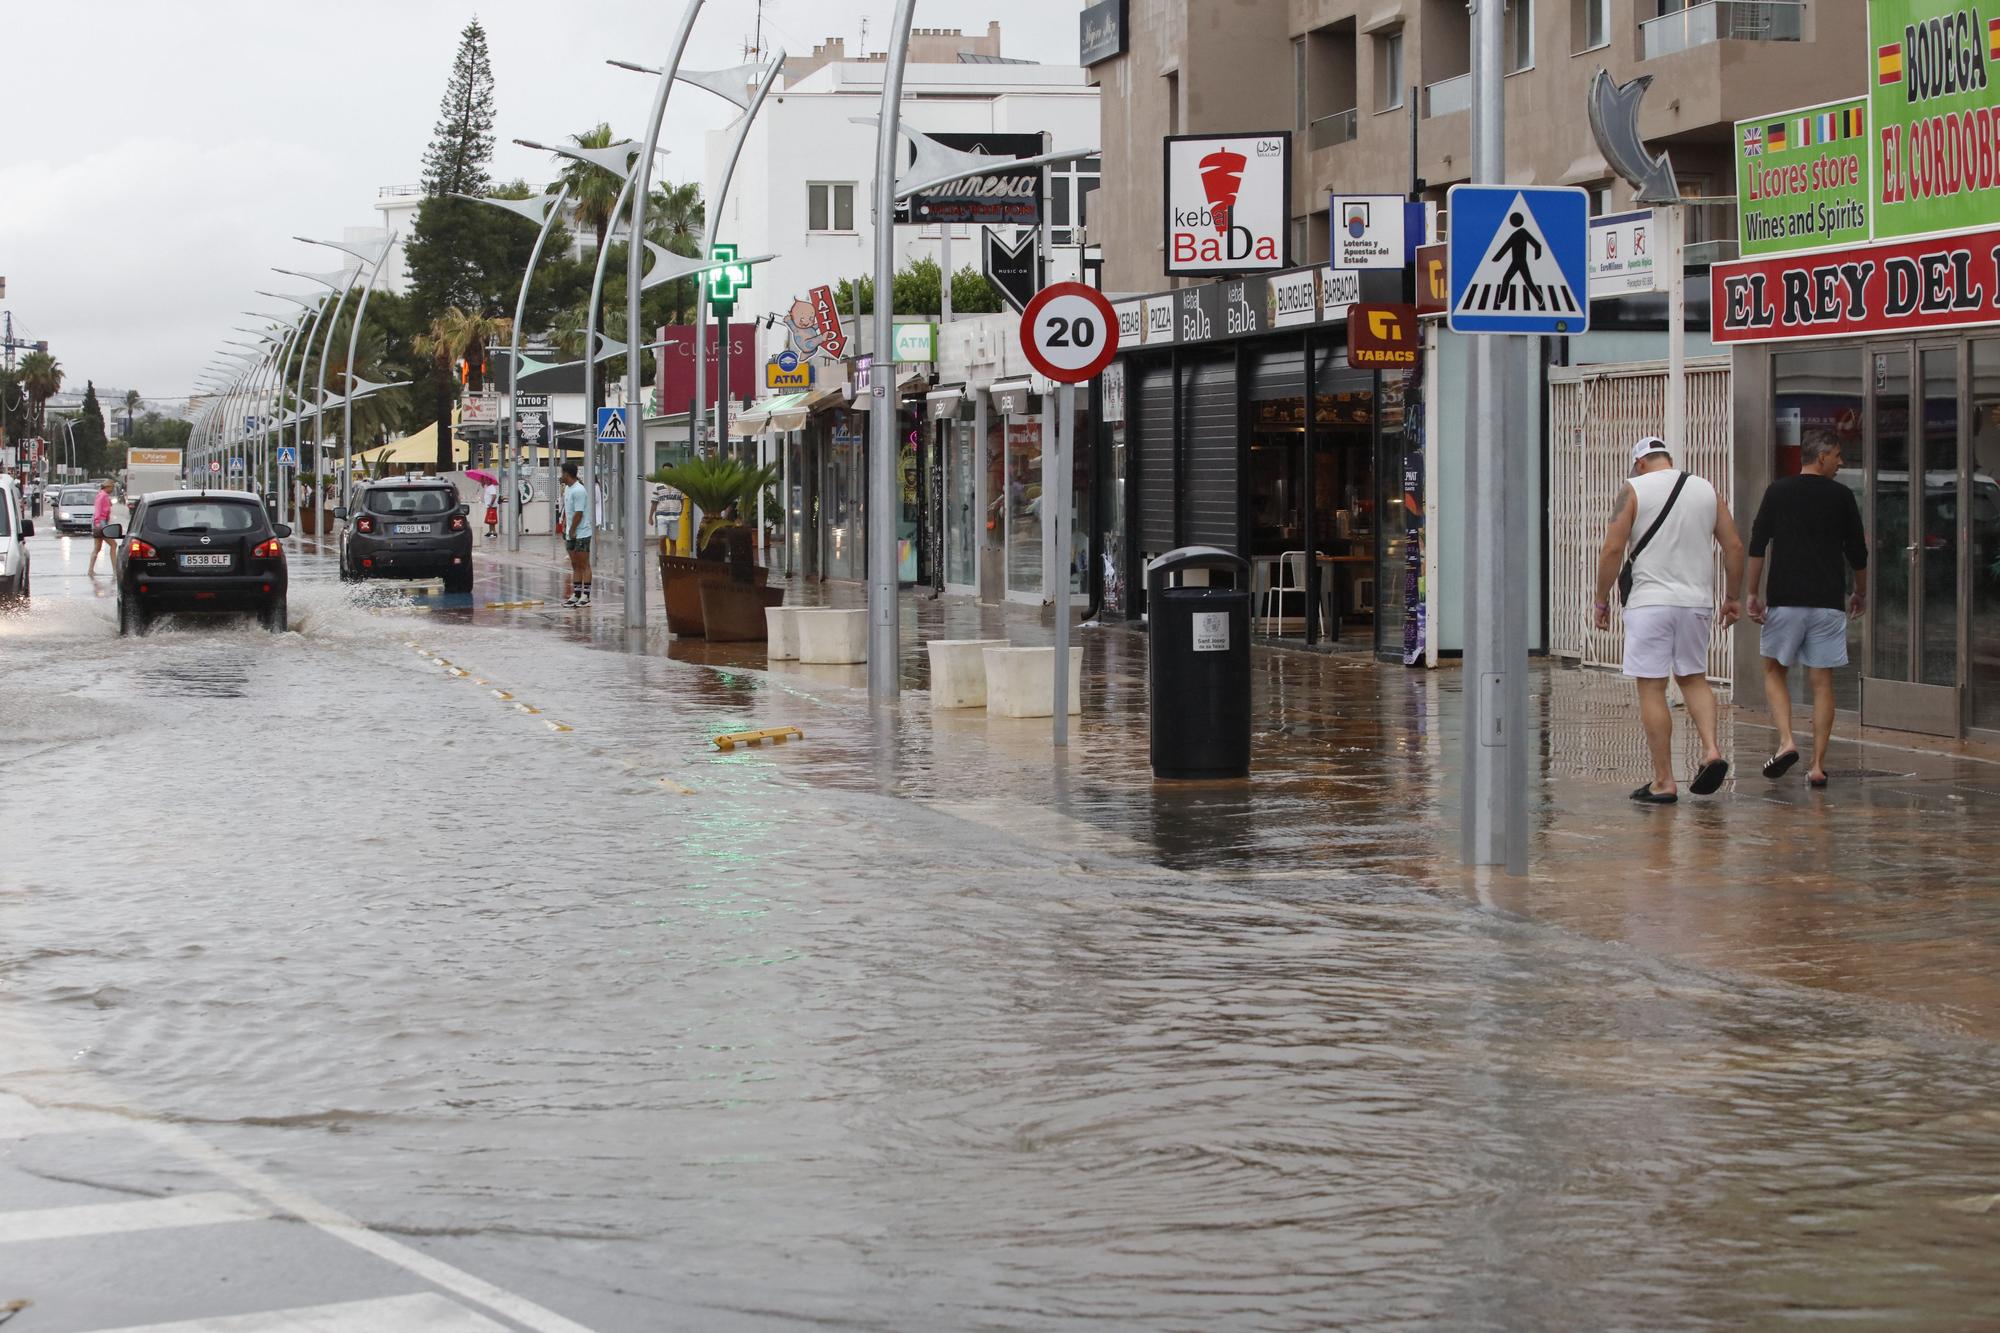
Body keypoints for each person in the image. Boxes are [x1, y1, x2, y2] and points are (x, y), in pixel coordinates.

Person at [1593, 436, 1746, 804]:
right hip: (1695, 603)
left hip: (1649, 603)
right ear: (1668, 459)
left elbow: (1613, 548)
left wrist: (1601, 599)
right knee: (1694, 678)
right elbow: (1735, 546)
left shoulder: (1633, 488)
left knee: (1652, 687)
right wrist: (1733, 597)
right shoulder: (1706, 489)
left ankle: (1663, 781)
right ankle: (1711, 750)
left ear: (1640, 463)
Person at [1746, 434, 1868, 789]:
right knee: (1822, 682)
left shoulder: (1778, 491)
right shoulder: (1842, 497)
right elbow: (1858, 551)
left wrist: (1752, 592)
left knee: (1773, 670)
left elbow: (1757, 543)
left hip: (1785, 600)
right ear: (1822, 456)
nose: (1841, 462)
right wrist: (1860, 592)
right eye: (1838, 456)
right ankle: (1816, 766)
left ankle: (1787, 741)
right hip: (1828, 602)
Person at [559, 461, 592, 607]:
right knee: (574, 564)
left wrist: (572, 530)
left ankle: (586, 595)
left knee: (584, 564)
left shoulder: (579, 490)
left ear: (567, 474)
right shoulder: (567, 489)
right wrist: (566, 526)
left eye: (562, 473)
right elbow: (569, 510)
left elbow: (579, 513)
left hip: (582, 532)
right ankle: (576, 593)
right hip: (570, 532)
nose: (561, 476)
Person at [86, 479, 116, 575]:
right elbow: (98, 510)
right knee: (113, 544)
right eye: (112, 487)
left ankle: (90, 570)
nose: (113, 489)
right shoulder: (102, 496)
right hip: (101, 523)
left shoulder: (103, 496)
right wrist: (98, 523)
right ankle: (115, 570)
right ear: (107, 487)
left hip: (101, 522)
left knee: (97, 547)